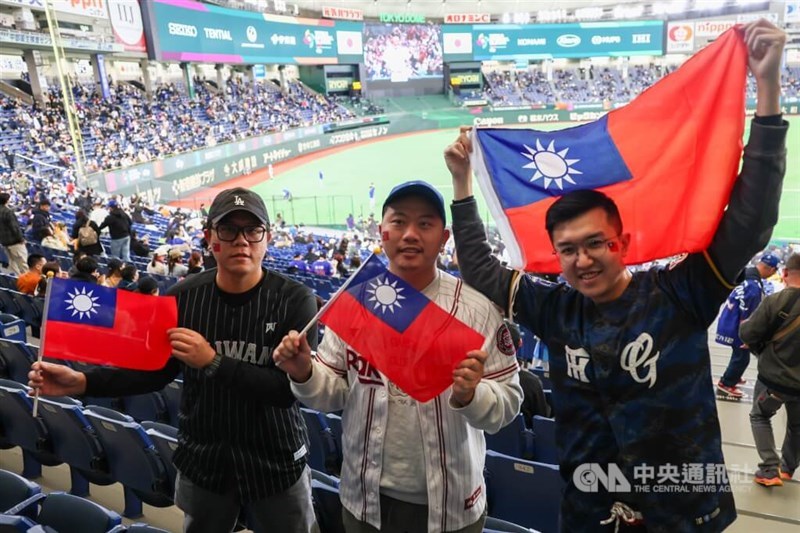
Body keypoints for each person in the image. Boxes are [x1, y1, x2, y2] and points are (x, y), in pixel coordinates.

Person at [443, 20, 787, 531]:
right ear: (555, 257)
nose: (582, 259)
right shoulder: (554, 308)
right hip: (589, 511)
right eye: (568, 250)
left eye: (595, 244)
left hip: (685, 512)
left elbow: (750, 221)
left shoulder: (680, 292)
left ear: (621, 244)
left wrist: (768, 87)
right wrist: (461, 185)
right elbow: (480, 269)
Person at [29, 187, 319, 533]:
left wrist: (212, 361)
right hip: (204, 459)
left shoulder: (296, 300)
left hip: (277, 462)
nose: (241, 240)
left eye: (252, 230)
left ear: (266, 239)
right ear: (211, 239)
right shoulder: (181, 298)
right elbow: (155, 372)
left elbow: (285, 391)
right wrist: (84, 381)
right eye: (228, 230)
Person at [274, 180, 522, 533]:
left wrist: (471, 396)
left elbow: (508, 405)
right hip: (364, 499)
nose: (410, 234)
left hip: (452, 507)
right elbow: (331, 393)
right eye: (399, 222)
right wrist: (303, 372)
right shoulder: (358, 297)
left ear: (445, 237)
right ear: (382, 231)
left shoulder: (477, 311)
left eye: (425, 224)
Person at [740, 253, 800, 487]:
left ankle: (768, 470)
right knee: (797, 426)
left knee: (760, 415)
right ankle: (787, 469)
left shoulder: (775, 302)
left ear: (784, 273)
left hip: (773, 380)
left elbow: (748, 334)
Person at [715, 253, 779, 398]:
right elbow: (747, 314)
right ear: (771, 269)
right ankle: (727, 382)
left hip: (729, 320)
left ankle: (734, 376)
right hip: (737, 326)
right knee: (742, 357)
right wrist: (747, 337)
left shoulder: (744, 276)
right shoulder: (753, 285)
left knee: (739, 354)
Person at [0, 192, 28, 275]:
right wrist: (21, 239)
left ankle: (19, 280)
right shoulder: (8, 212)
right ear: (7, 201)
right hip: (15, 242)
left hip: (4, 242)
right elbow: (14, 228)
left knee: (12, 263)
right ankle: (28, 283)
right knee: (23, 263)